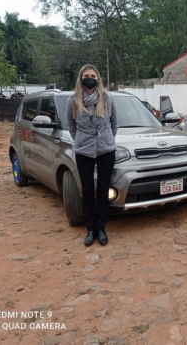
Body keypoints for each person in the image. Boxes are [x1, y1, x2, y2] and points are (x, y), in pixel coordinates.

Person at [66, 64, 118, 247]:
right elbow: (71, 126)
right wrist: (81, 140)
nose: (90, 78)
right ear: (81, 78)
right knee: (87, 191)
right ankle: (90, 229)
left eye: (93, 75)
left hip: (106, 150)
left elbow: (114, 123)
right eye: (86, 75)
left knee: (102, 191)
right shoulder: (73, 100)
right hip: (84, 151)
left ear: (98, 79)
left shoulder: (107, 99)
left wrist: (107, 140)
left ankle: (101, 228)